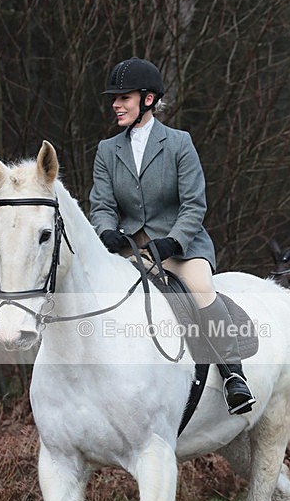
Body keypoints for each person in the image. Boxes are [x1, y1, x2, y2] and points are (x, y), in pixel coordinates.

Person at [89, 56, 255, 415]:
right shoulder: (107, 150)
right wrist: (105, 231)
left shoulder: (179, 143)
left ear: (148, 99)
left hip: (181, 246)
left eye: (124, 98)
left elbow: (194, 204)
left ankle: (233, 377)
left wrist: (173, 241)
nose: (116, 105)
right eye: (115, 99)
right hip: (131, 249)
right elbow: (101, 203)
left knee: (200, 289)